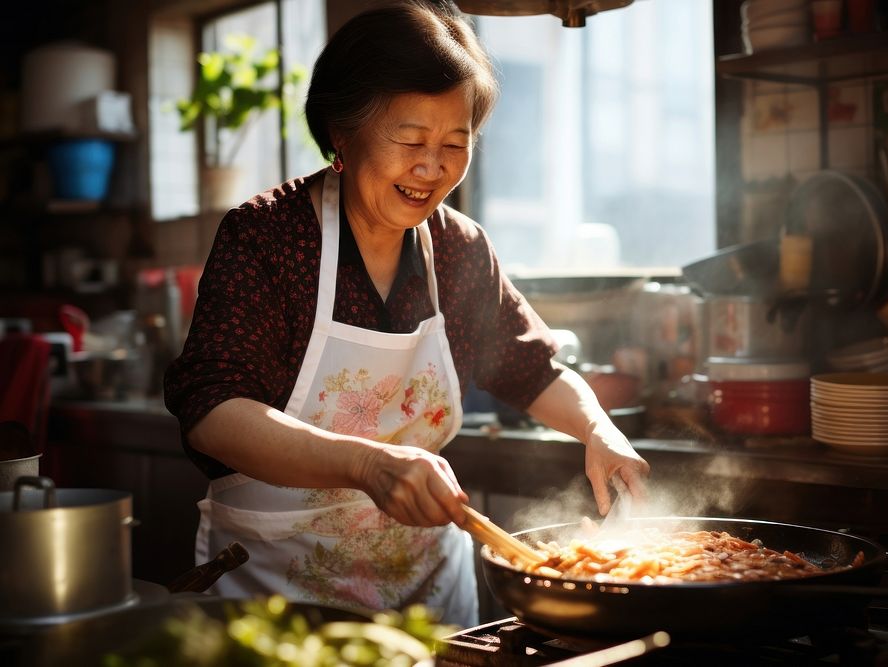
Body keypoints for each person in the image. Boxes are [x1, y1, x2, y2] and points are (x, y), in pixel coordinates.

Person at [164, 0, 649, 628]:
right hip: (278, 596)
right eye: (411, 140)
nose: (432, 167)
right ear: (342, 130)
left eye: (455, 143)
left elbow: (532, 371)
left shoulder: (459, 249)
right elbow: (211, 412)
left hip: (428, 599)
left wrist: (598, 431)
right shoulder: (269, 237)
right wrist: (367, 464)